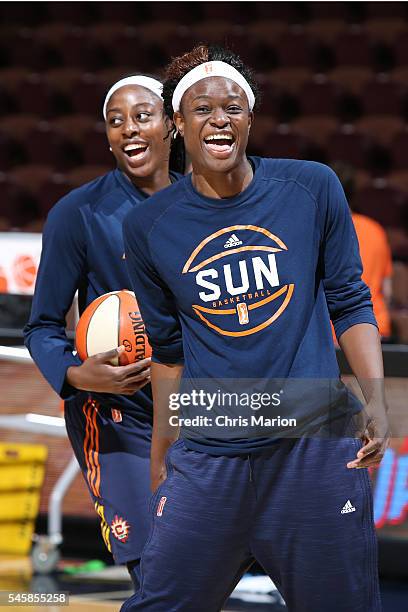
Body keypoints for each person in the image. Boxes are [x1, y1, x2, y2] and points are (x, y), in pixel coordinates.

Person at [121, 45, 389, 612]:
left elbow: (350, 301)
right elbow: (168, 351)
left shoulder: (311, 187)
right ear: (176, 124)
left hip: (312, 445)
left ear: (250, 119)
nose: (219, 118)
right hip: (210, 451)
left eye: (233, 107)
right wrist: (162, 456)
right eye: (201, 108)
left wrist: (377, 401)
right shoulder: (149, 225)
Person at [24, 75, 184, 590]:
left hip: (193, 404)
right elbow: (42, 326)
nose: (128, 129)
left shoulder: (206, 206)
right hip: (116, 414)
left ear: (172, 125)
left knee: (199, 570)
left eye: (143, 116)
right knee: (159, 570)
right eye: (116, 121)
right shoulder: (78, 213)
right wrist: (79, 374)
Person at [332, 162, 393, 340]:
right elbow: (387, 290)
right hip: (376, 328)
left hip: (335, 333)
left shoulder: (319, 230)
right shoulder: (375, 229)